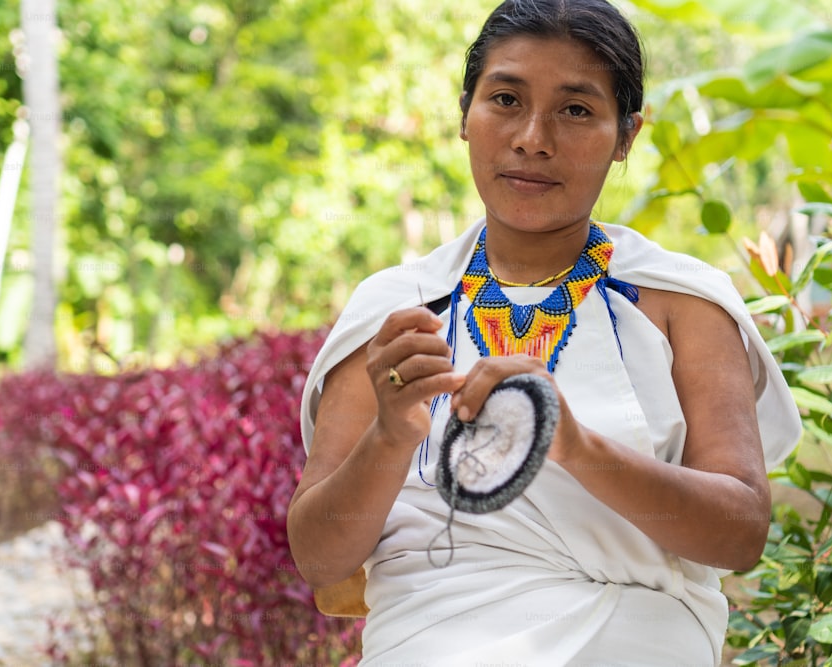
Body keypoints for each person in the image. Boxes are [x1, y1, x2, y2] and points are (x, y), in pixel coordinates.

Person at [287, 1, 801, 664]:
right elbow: (319, 553)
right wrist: (390, 434)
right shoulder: (395, 309)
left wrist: (578, 446)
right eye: (505, 98)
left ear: (626, 137)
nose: (534, 137)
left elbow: (740, 533)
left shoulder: (683, 302)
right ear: (465, 115)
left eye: (576, 109)